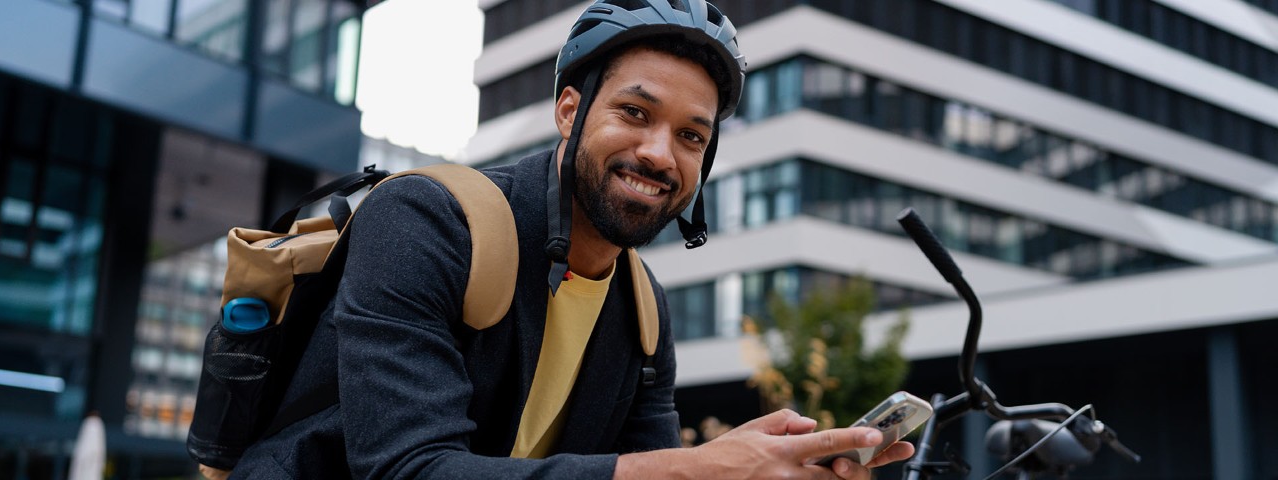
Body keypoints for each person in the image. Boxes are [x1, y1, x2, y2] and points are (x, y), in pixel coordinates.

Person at [231, 1, 914, 478]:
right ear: (569, 112)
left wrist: (755, 470)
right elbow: (409, 468)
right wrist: (700, 467)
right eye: (635, 112)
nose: (658, 153)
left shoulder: (643, 311)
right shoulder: (426, 220)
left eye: (691, 137)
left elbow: (652, 472)